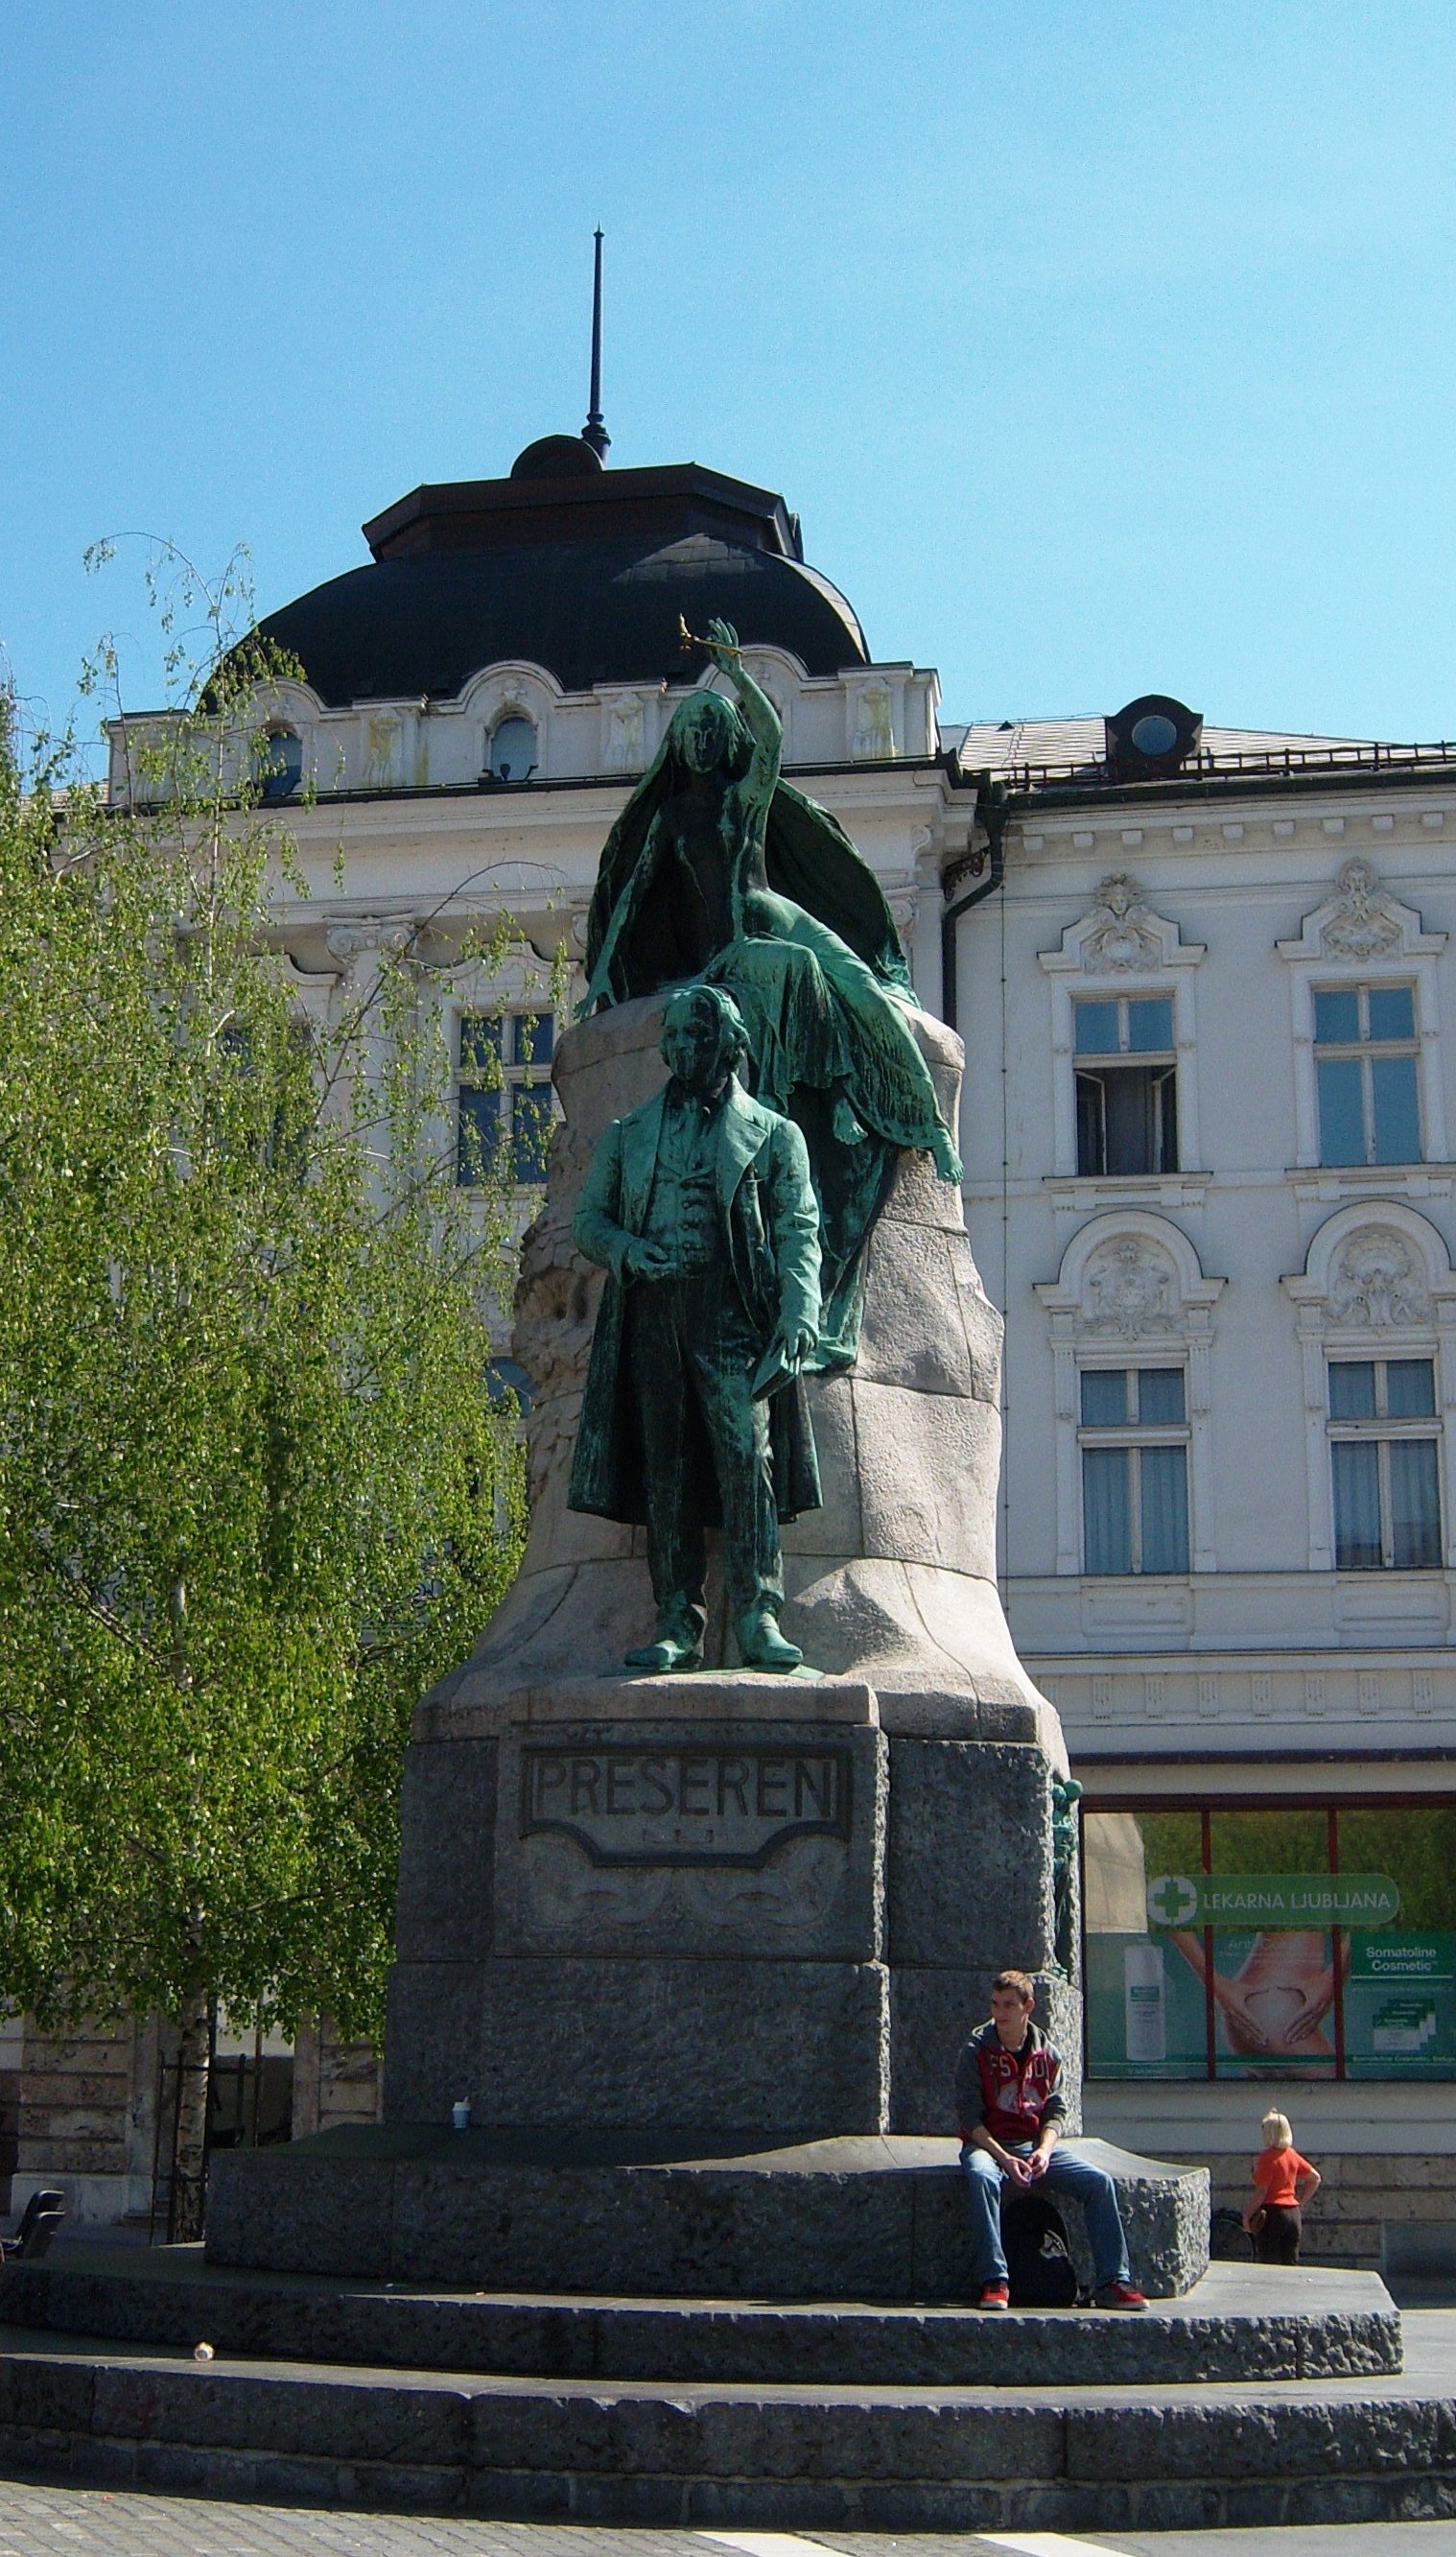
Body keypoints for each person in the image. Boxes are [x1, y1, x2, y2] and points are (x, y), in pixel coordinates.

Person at [580, 618, 961, 1365]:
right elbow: (631, 897)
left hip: (774, 915)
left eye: (711, 725)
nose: (700, 737)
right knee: (803, 980)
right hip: (734, 951)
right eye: (690, 727)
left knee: (857, 982)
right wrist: (600, 978)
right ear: (676, 744)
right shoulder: (668, 818)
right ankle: (841, 1095)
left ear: (724, 740)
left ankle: (925, 1124)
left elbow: (772, 742)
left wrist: (735, 671)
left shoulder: (742, 798)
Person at [570, 982, 822, 1673]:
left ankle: (758, 1610)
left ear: (730, 1044)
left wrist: (800, 1312)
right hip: (654, 1313)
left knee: (749, 1461)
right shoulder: (630, 1132)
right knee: (666, 1467)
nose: (684, 1049)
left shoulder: (775, 1134)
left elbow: (801, 1228)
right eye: (675, 1037)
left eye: (698, 1036)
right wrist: (625, 1250)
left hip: (733, 1316)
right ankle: (677, 1614)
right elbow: (587, 1220)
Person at [956, 1969, 1147, 2311]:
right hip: (988, 2145)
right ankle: (995, 2280)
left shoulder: (1049, 2055)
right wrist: (1003, 2158)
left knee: (1098, 2183)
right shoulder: (975, 2050)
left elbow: (1055, 2112)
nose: (999, 2013)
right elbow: (970, 2119)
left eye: (1009, 2005)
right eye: (995, 2004)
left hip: (1033, 2144)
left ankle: (1114, 2281)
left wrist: (1044, 2151)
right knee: (982, 2177)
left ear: (1028, 2006)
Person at [1242, 2109, 1321, 2263]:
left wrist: (1247, 2216)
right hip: (1293, 2214)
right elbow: (1315, 2178)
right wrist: (1300, 2202)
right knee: (1290, 2263)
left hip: (1273, 2214)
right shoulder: (1292, 2154)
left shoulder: (1267, 2157)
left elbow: (1261, 2192)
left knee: (1269, 2265)